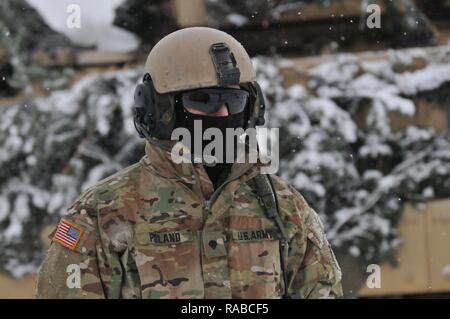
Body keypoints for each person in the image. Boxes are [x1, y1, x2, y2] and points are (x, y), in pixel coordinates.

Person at [36, 27, 342, 299]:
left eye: (234, 102)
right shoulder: (102, 212)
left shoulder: (283, 205)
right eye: (204, 101)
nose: (223, 115)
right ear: (161, 110)